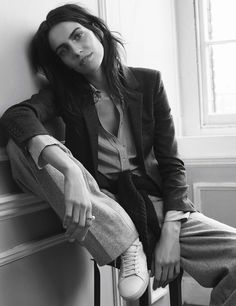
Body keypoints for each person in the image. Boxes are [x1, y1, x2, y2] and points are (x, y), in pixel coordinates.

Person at [1, 4, 236, 305]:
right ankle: (127, 244)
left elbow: (171, 163)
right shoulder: (65, 95)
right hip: (105, 207)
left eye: (78, 35)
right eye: (63, 50)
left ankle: (135, 240)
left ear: (96, 30)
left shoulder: (149, 82)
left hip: (160, 206)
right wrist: (71, 170)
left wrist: (171, 233)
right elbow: (17, 117)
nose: (75, 50)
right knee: (21, 146)